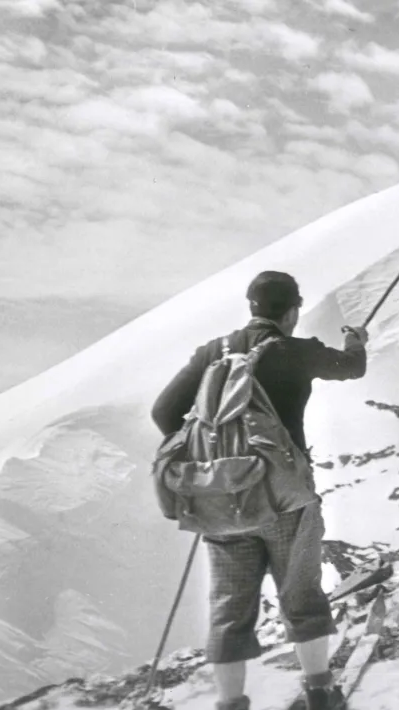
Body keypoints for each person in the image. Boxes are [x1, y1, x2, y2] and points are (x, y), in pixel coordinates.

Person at [151, 271, 368, 710]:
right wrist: (356, 341)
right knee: (301, 596)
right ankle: (320, 694)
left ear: (251, 307)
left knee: (230, 609)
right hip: (287, 500)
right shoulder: (295, 350)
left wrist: (213, 458)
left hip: (225, 498)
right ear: (291, 312)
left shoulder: (214, 352)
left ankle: (231, 704)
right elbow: (353, 368)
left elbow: (164, 412)